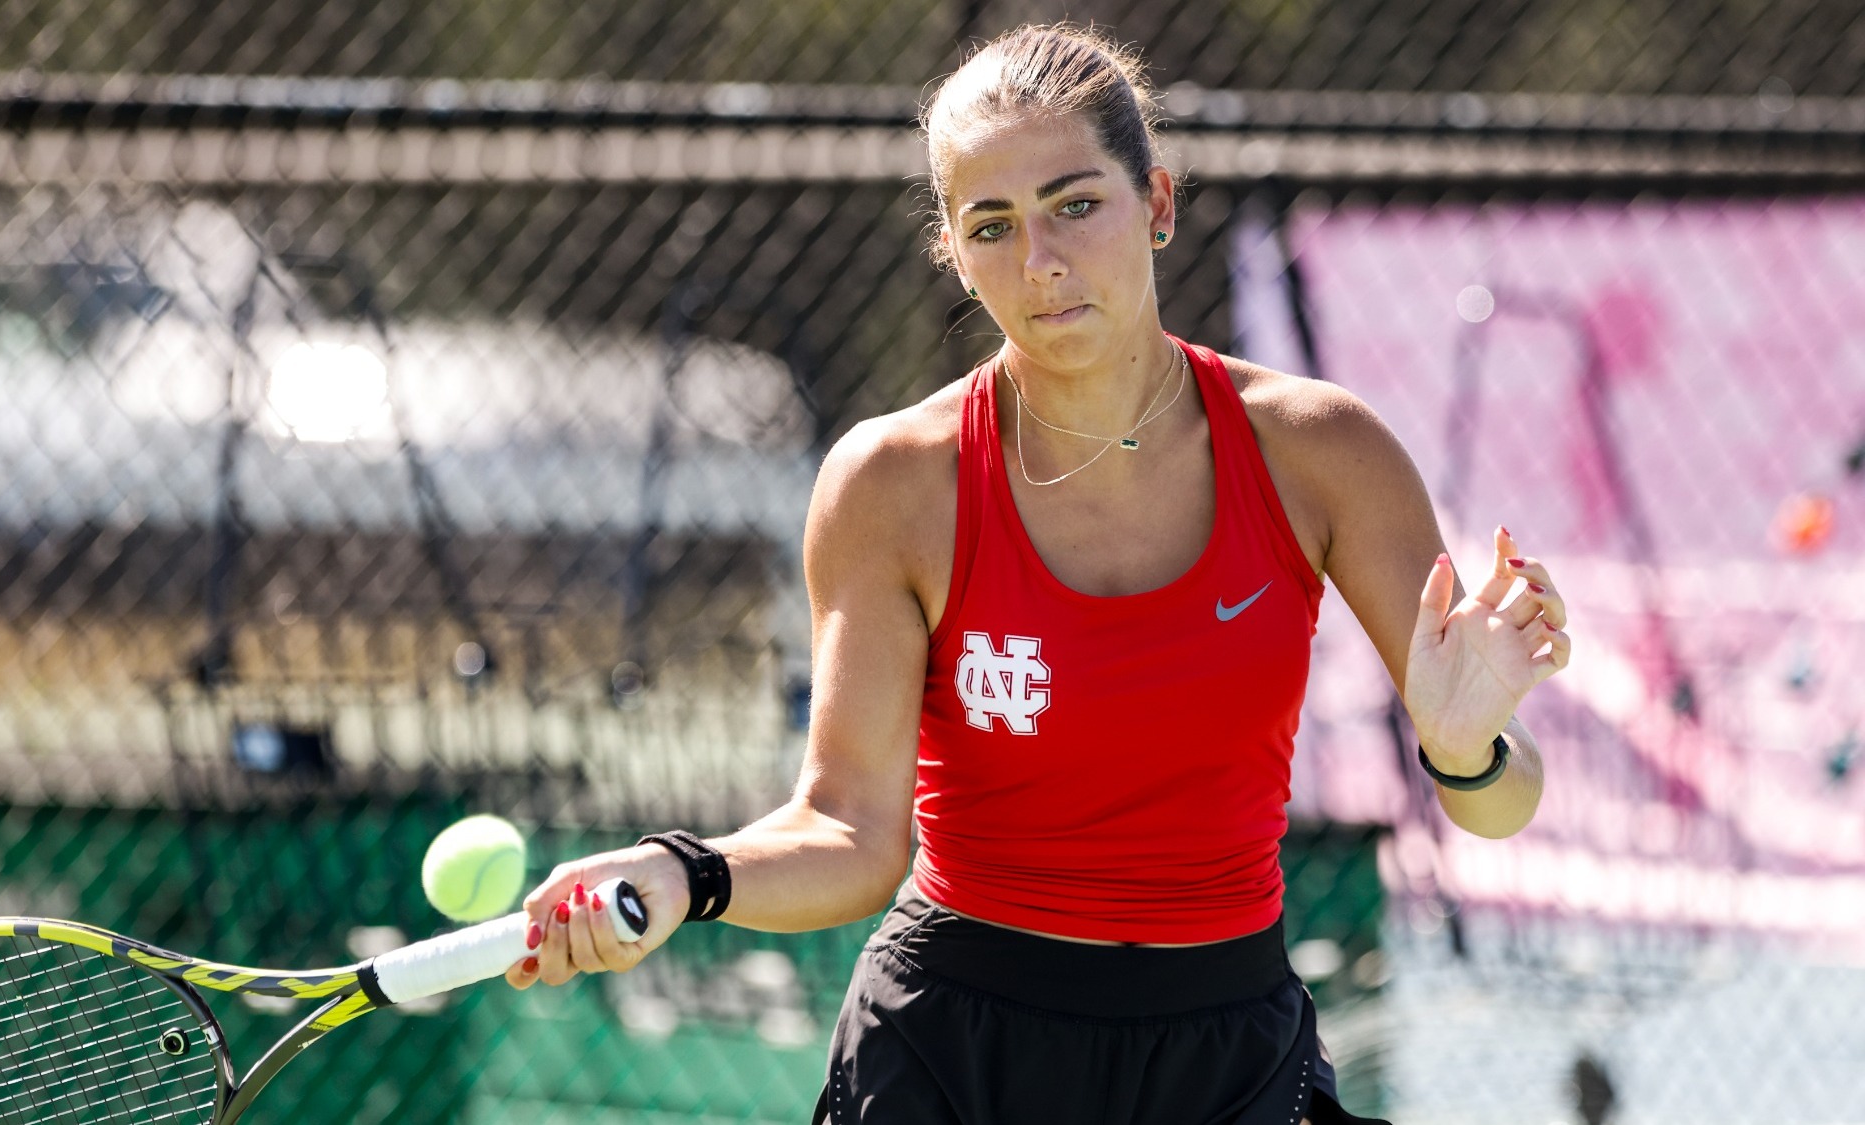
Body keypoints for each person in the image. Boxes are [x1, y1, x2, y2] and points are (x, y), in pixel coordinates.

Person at [505, 23, 1569, 1125]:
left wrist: (1463, 748)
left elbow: (1500, 803)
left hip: (1224, 1044)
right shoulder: (891, 483)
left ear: (1155, 203)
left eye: (1074, 205)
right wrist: (685, 874)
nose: (1040, 262)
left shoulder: (1320, 450)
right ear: (953, 254)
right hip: (951, 1049)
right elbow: (849, 831)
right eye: (992, 227)